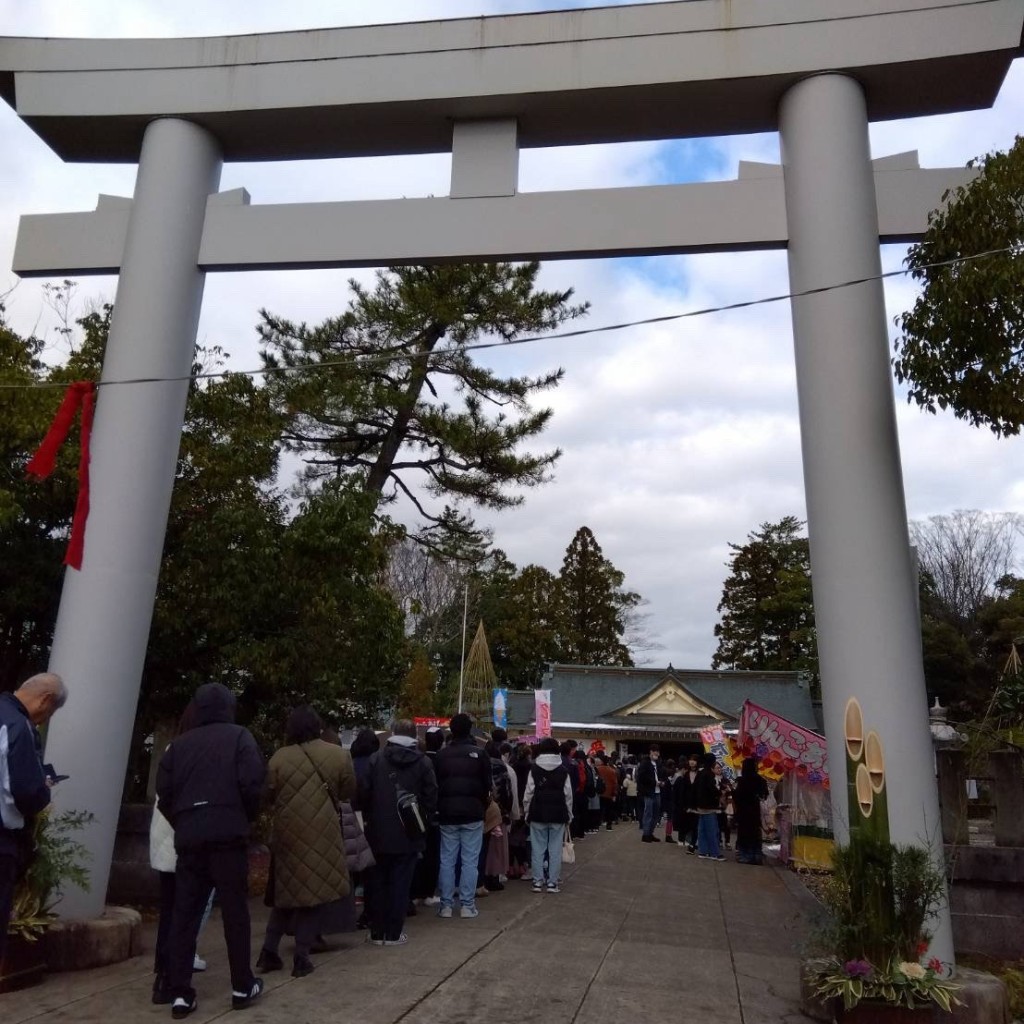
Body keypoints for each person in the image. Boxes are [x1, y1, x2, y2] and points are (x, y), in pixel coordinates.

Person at [156, 682, 266, 1019]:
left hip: (190, 838)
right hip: (228, 836)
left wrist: (184, 820)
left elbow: (164, 792)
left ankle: (180, 992)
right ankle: (241, 984)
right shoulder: (239, 737)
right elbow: (253, 784)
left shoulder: (179, 746)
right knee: (235, 912)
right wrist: (241, 817)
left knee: (184, 913)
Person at [256, 705, 355, 980]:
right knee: (314, 895)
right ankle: (301, 956)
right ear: (318, 727)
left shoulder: (279, 757)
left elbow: (268, 793)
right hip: (323, 832)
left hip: (287, 832)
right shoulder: (337, 755)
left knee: (284, 895)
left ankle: (269, 951)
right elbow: (347, 790)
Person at [150, 700, 214, 1006]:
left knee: (170, 914)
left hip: (166, 841)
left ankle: (163, 978)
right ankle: (174, 979)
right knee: (184, 916)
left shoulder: (173, 749)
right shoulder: (196, 751)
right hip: (187, 842)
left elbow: (163, 795)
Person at [0, 673, 66, 964]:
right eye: (49, 713)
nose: (43, 719)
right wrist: (45, 789)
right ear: (46, 699)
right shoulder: (19, 725)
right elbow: (27, 792)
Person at [360, 719, 437, 946]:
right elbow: (431, 797)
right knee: (401, 884)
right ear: (414, 736)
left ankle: (377, 932)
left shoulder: (376, 759)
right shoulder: (423, 763)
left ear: (393, 733)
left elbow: (364, 793)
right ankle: (394, 933)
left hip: (378, 831)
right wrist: (423, 821)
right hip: (409, 832)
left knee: (378, 883)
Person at [434, 712, 492, 919]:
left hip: (447, 812)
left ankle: (446, 905)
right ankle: (467, 904)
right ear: (469, 730)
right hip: (473, 812)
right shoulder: (480, 754)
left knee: (447, 859)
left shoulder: (441, 756)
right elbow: (487, 786)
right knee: (470, 860)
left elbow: (435, 786)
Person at [523, 737, 573, 893]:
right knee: (555, 849)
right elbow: (568, 796)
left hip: (537, 812)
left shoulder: (534, 769)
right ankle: (552, 883)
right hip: (558, 813)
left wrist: (526, 812)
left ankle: (537, 881)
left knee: (537, 849)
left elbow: (528, 794)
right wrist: (569, 815)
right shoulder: (563, 770)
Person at [733, 757, 769, 864]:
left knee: (744, 834)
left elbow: (737, 796)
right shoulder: (760, 780)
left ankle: (746, 856)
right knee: (755, 833)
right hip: (755, 811)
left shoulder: (742, 780)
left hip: (744, 812)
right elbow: (765, 795)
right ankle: (756, 855)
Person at [694, 752, 726, 861]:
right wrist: (720, 793)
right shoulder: (709, 774)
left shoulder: (701, 773)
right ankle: (714, 853)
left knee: (702, 830)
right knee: (712, 830)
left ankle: (703, 851)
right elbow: (712, 789)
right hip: (709, 806)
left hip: (700, 805)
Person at [673, 754, 701, 853]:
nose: (692, 761)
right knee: (686, 822)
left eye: (694, 760)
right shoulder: (686, 774)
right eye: (690, 760)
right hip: (687, 803)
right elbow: (683, 790)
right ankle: (685, 840)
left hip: (697, 803)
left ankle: (693, 843)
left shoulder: (700, 774)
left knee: (695, 825)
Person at [636, 745, 662, 843]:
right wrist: (654, 782)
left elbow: (662, 774)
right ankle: (646, 834)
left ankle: (650, 833)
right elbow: (641, 777)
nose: (657, 754)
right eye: (655, 752)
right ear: (650, 752)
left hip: (658, 791)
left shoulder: (658, 763)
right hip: (649, 792)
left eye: (658, 752)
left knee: (656, 814)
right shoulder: (645, 763)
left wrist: (662, 781)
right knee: (648, 813)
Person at [595, 754, 619, 831]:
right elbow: (615, 783)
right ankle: (609, 825)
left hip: (600, 792)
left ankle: (598, 824)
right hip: (609, 793)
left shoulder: (597, 769)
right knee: (609, 810)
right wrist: (614, 793)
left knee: (600, 809)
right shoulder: (612, 770)